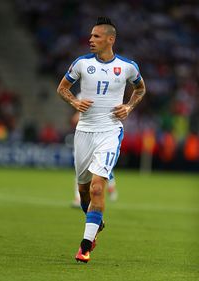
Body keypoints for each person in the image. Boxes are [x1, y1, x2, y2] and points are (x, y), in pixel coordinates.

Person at [57, 17, 146, 263]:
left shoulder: (128, 67)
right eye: (90, 36)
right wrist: (74, 101)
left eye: (96, 36)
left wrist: (129, 107)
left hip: (110, 131)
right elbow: (62, 88)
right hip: (84, 132)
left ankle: (85, 246)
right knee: (84, 190)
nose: (90, 40)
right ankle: (96, 224)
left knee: (98, 187)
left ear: (110, 39)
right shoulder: (82, 64)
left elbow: (140, 89)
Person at [70, 110, 118, 208]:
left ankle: (111, 186)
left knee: (102, 167)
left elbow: (74, 119)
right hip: (85, 137)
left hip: (102, 136)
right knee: (83, 171)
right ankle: (79, 197)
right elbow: (74, 120)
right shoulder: (84, 97)